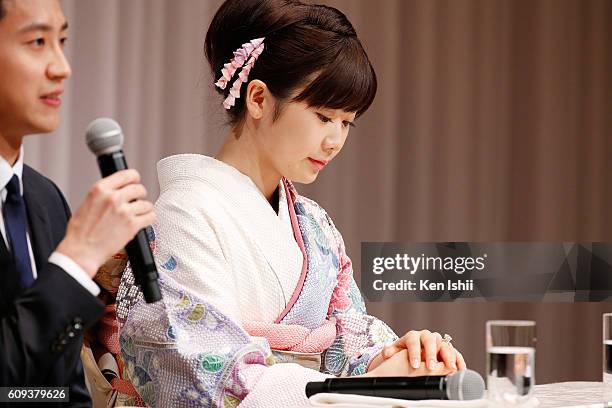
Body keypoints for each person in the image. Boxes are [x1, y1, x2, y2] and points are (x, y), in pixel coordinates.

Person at [117, 0, 465, 406]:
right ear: (260, 99)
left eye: (346, 122)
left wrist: (400, 359)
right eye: (323, 116)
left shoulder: (315, 224)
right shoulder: (184, 213)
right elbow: (200, 370)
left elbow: (347, 340)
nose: (335, 141)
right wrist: (347, 393)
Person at [0, 0, 155, 405]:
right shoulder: (75, 238)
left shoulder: (44, 197)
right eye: (37, 41)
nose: (62, 67)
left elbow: (58, 388)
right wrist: (77, 258)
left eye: (62, 41)